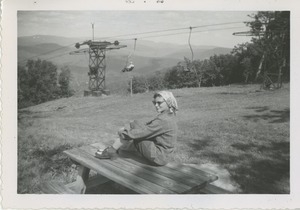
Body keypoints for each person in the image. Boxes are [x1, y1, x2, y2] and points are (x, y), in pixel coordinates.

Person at [95, 90, 178, 166]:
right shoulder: (168, 115)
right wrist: (127, 128)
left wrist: (124, 132)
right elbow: (147, 126)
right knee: (136, 124)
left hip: (158, 157)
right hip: (164, 156)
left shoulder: (164, 120)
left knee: (135, 131)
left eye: (159, 103)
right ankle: (117, 148)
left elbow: (142, 132)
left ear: (168, 102)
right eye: (155, 103)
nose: (156, 105)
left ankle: (112, 150)